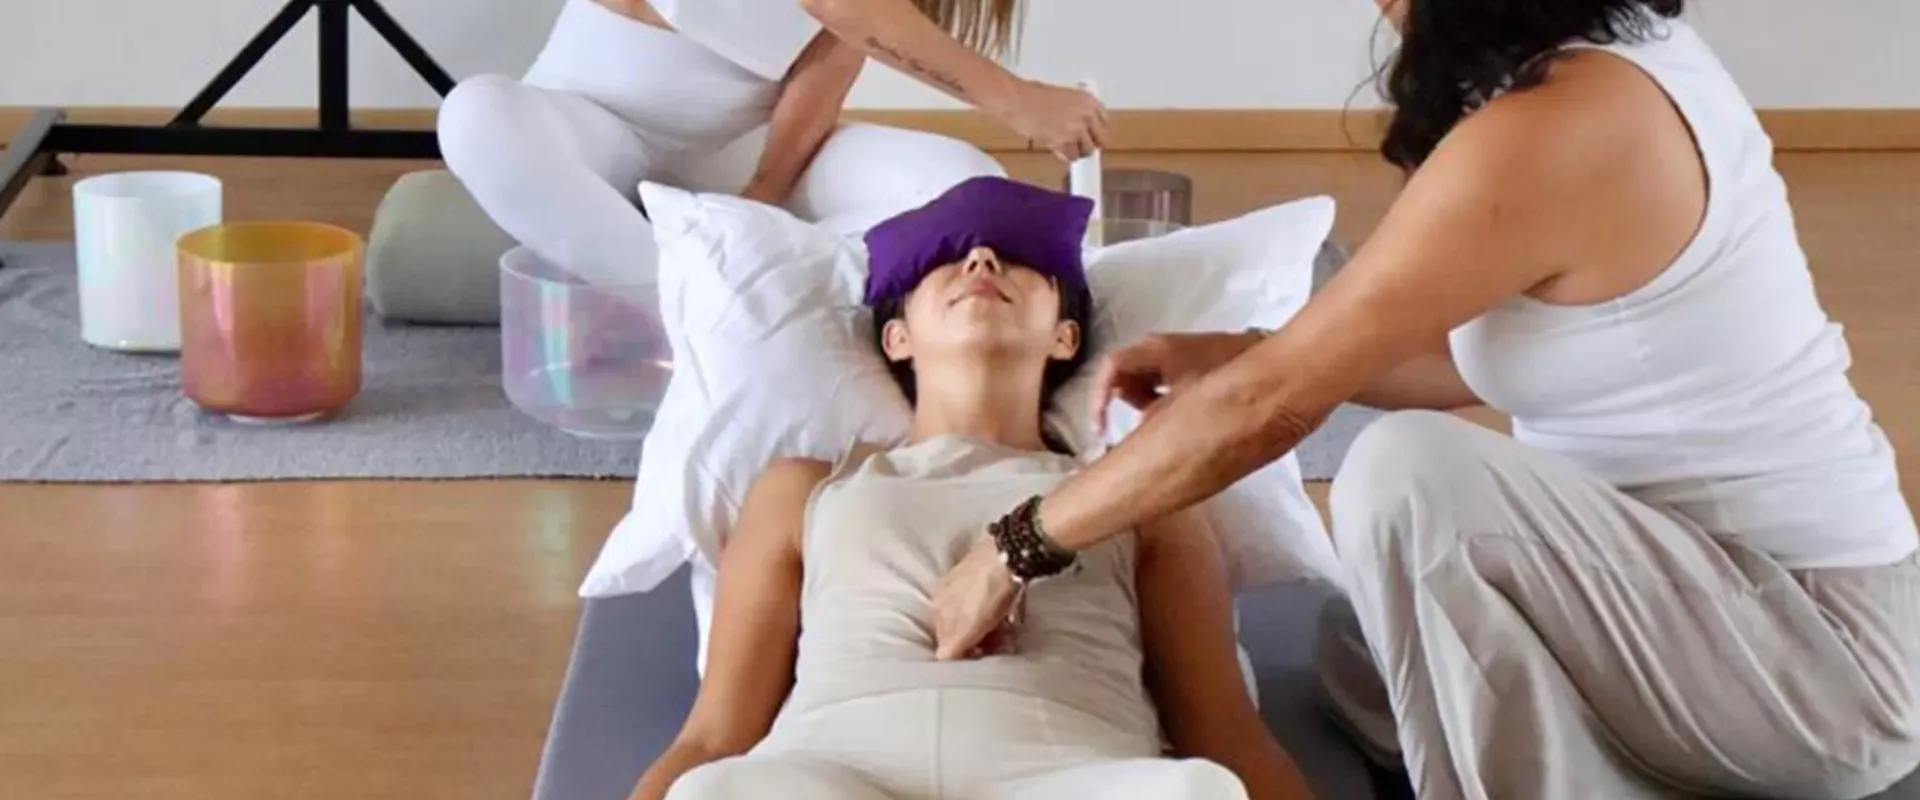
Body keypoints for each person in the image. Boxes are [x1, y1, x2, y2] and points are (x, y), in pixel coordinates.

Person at [927, 2, 1920, 798]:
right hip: (1699, 593)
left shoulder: (1564, 125)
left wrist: (1018, 544)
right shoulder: (1610, 61)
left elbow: (1270, 411)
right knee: (1360, 655)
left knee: (1405, 480)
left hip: (1821, 663)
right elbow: (1499, 356)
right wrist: (1246, 352)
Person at [627, 177, 1313, 800]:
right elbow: (713, 738)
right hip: (835, 770)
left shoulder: (1142, 487)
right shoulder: (803, 489)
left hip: (1070, 771)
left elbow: (1227, 736)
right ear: (896, 338)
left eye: (1017, 259)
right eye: (946, 260)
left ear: (1065, 336)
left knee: (1199, 791)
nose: (982, 260)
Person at [437, 0, 1107, 294]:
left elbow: (833, 55)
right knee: (474, 116)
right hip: (593, 122)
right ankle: (688, 312)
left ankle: (737, 293)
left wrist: (761, 195)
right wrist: (1015, 98)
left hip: (741, 148)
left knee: (965, 185)